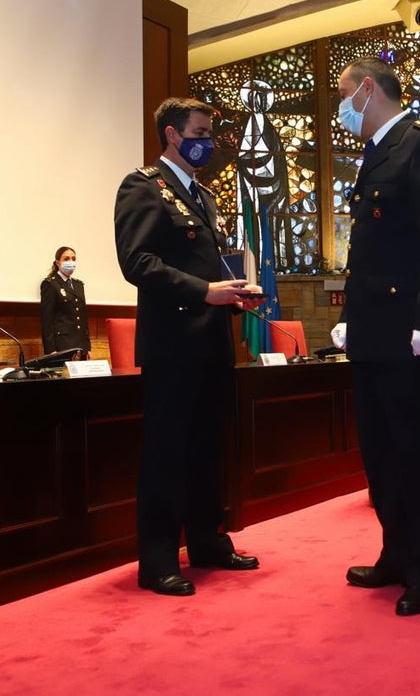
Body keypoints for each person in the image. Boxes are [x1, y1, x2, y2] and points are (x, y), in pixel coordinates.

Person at [114, 97, 266, 597]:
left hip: (211, 341)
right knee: (167, 454)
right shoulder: (142, 186)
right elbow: (137, 262)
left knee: (208, 449)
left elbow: (208, 266)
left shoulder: (202, 195)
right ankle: (157, 561)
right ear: (174, 135)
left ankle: (207, 542)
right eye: (201, 132)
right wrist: (204, 292)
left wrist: (233, 293)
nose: (210, 142)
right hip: (173, 345)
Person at [329, 57, 420, 617]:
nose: (340, 108)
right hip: (374, 332)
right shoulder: (376, 152)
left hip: (412, 334)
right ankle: (396, 552)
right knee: (380, 450)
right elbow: (372, 250)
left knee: (416, 450)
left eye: (343, 94)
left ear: (366, 89)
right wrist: (351, 315)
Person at [39, 246, 91, 358]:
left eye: (73, 259)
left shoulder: (79, 285)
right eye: (66, 259)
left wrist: (87, 348)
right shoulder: (50, 284)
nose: (71, 262)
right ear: (58, 263)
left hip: (80, 346)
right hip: (62, 345)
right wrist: (50, 350)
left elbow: (82, 318)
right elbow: (47, 319)